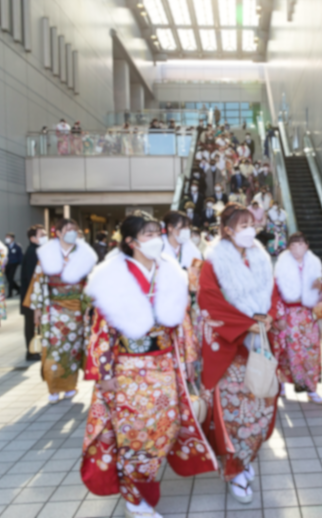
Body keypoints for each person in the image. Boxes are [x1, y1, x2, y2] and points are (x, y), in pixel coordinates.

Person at [82, 211, 216, 518]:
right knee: (135, 431)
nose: (156, 240)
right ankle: (135, 496)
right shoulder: (113, 275)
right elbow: (102, 328)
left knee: (165, 428)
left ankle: (140, 486)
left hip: (165, 365)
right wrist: (104, 374)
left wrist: (189, 359)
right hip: (128, 368)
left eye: (158, 233)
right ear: (130, 242)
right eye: (148, 235)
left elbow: (182, 322)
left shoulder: (169, 271)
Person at [197, 203, 283, 504]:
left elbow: (272, 293)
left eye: (252, 225)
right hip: (232, 348)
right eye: (243, 225)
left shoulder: (260, 257)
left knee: (262, 404)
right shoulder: (213, 263)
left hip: (258, 344)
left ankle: (246, 459)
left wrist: (269, 315)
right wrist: (247, 324)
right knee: (233, 413)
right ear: (227, 230)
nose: (250, 230)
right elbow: (209, 303)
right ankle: (233, 469)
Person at [25, 219, 97, 404]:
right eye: (68, 229)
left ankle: (70, 386)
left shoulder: (84, 254)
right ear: (57, 233)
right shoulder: (47, 254)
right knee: (53, 349)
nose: (73, 232)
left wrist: (90, 305)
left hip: (77, 309)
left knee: (72, 349)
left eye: (75, 229)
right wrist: (37, 310)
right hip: (53, 307)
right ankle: (54, 386)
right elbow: (39, 282)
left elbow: (90, 281)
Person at [274, 233, 322, 403]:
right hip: (289, 315)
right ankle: (282, 383)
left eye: (300, 244)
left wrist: (320, 289)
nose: (297, 247)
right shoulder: (282, 265)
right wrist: (280, 316)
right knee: (287, 351)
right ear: (289, 247)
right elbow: (275, 294)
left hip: (308, 316)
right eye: (293, 244)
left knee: (311, 352)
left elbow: (321, 293)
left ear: (307, 246)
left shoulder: (313, 265)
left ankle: (311, 389)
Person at [21, 225, 47, 361]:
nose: (45, 237)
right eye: (41, 235)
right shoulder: (34, 252)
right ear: (33, 238)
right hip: (30, 296)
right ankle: (32, 352)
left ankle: (35, 350)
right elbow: (33, 278)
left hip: (32, 296)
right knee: (31, 324)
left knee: (34, 324)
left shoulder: (38, 250)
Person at [4, 233, 23, 298]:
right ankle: (19, 289)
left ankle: (10, 293)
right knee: (9, 279)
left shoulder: (17, 246)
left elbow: (20, 255)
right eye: (6, 237)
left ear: (12, 238)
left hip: (14, 264)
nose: (7, 239)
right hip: (6, 264)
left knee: (10, 278)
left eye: (8, 237)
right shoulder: (5, 246)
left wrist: (21, 263)